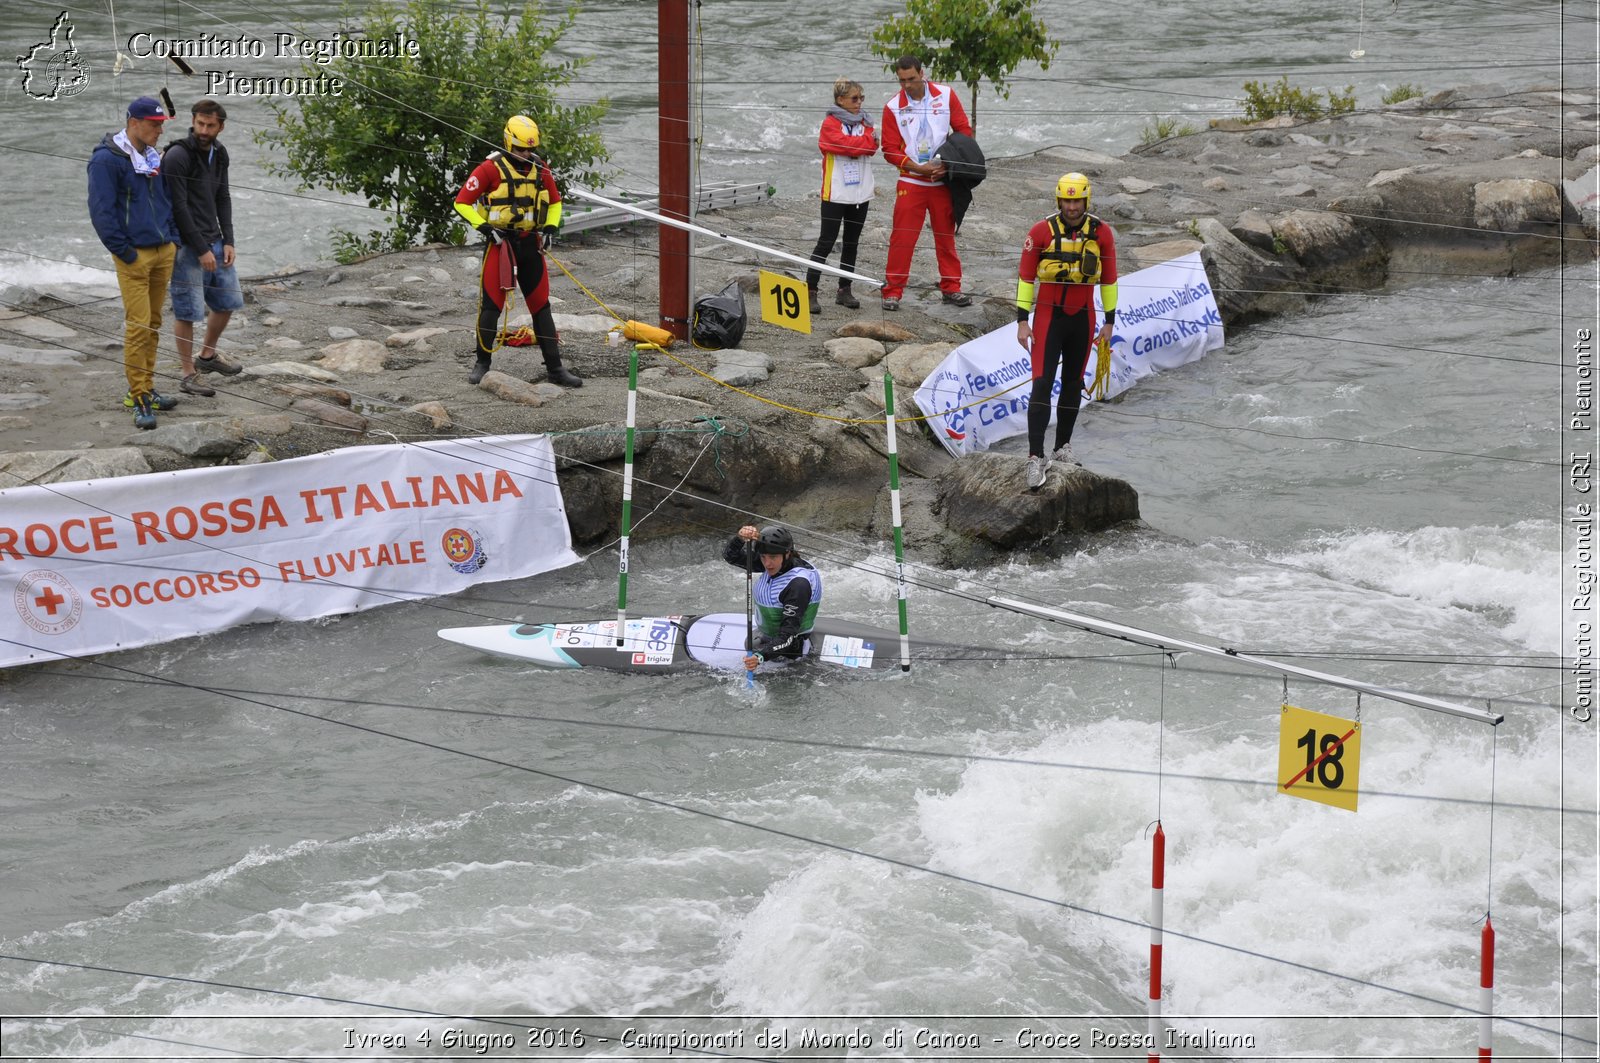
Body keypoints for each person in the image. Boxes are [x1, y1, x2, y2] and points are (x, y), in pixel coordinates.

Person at [452, 115, 582, 388]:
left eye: (530, 149)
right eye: (521, 149)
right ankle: (482, 363)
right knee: (491, 307)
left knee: (541, 307)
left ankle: (555, 369)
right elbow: (462, 203)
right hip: (501, 246)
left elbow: (555, 202)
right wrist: (486, 228)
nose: (527, 154)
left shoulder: (540, 167)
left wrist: (549, 227)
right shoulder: (489, 169)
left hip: (531, 246)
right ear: (509, 142)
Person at [1015, 172, 1119, 489]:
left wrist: (1110, 321)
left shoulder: (1102, 233)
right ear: (1058, 200)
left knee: (1073, 384)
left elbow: (1110, 279)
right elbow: (1025, 278)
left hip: (1083, 318)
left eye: (1077, 200)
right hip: (1048, 317)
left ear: (1086, 200)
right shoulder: (1040, 232)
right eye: (1066, 200)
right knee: (1042, 383)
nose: (1071, 206)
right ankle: (1035, 457)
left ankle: (1062, 448)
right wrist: (1022, 320)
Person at [88, 95, 182, 430]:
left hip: (162, 251)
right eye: (154, 125)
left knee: (153, 322)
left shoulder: (150, 156)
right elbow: (101, 212)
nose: (159, 131)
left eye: (160, 126)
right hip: (134, 256)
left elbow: (164, 199)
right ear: (134, 124)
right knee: (139, 325)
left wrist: (172, 238)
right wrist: (125, 252)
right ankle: (138, 396)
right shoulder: (107, 160)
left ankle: (148, 387)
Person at [162, 98, 244, 397]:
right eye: (200, 123)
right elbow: (178, 207)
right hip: (186, 245)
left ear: (221, 127)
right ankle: (187, 373)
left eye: (210, 125)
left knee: (228, 302)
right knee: (187, 311)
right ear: (193, 121)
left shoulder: (220, 153)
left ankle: (207, 356)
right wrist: (200, 249)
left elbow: (223, 196)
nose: (204, 130)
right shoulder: (177, 156)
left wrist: (229, 240)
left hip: (215, 238)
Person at [879, 56, 973, 311]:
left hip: (942, 179)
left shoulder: (946, 94)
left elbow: (964, 131)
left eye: (911, 79)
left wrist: (947, 164)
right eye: (902, 81)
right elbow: (888, 149)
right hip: (911, 180)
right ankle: (893, 291)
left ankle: (951, 288)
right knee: (902, 238)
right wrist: (915, 166)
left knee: (946, 237)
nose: (907, 85)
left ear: (922, 73)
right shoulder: (892, 107)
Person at [806, 77, 877, 313]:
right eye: (854, 98)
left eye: (861, 98)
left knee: (852, 243)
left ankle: (844, 289)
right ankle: (811, 290)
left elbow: (871, 146)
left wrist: (859, 144)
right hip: (835, 192)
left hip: (860, 193)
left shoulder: (866, 121)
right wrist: (861, 143)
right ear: (840, 100)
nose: (859, 103)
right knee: (826, 242)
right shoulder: (830, 123)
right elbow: (845, 146)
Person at [721, 524, 823, 671]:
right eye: (763, 557)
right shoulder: (776, 563)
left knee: (756, 646)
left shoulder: (798, 585)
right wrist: (740, 539)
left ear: (787, 554)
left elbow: (787, 637)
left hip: (789, 650)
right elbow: (731, 557)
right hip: (767, 635)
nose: (767, 563)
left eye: (772, 557)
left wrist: (760, 657)